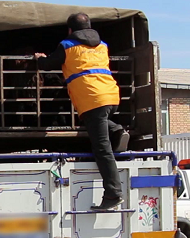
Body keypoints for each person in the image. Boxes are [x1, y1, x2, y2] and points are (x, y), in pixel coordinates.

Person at [36, 12, 130, 211]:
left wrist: (39, 58)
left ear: (70, 30)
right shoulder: (103, 45)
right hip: (111, 95)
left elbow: (47, 64)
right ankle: (117, 130)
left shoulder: (67, 45)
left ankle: (113, 194)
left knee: (102, 150)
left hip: (92, 99)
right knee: (100, 124)